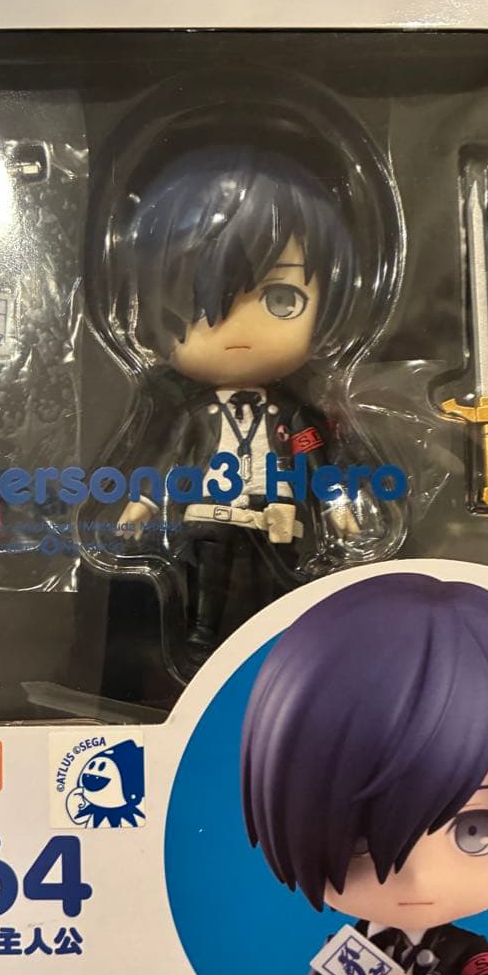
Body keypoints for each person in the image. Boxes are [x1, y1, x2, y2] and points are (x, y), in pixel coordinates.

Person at [241, 573, 488, 975]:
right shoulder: (345, 951)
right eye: (360, 838)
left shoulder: (465, 951)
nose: (418, 878)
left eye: (475, 830)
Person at [112, 146, 375, 670]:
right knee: (208, 582)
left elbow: (316, 460)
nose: (241, 330)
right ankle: (201, 635)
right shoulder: (196, 416)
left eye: (283, 299)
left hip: (275, 517)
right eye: (199, 303)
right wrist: (141, 503)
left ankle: (280, 645)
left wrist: (337, 505)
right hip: (211, 514)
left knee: (276, 585)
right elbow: (168, 460)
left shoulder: (292, 417)